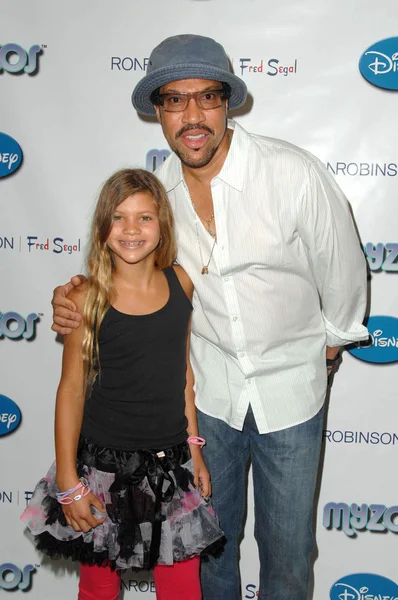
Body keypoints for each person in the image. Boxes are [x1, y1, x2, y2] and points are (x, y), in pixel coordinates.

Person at [51, 35, 369, 600]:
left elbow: (343, 273)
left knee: (290, 556)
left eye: (207, 97)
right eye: (175, 100)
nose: (192, 116)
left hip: (293, 397)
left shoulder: (292, 173)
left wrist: (324, 349)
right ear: (157, 110)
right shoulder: (159, 199)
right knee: (210, 553)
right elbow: (126, 276)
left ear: (228, 103)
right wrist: (77, 292)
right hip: (209, 403)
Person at [21, 168, 224, 600]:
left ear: (162, 225)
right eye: (119, 217)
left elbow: (183, 375)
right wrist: (70, 485)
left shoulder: (182, 283)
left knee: (183, 589)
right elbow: (71, 391)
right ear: (102, 227)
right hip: (101, 471)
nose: (131, 229)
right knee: (98, 588)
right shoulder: (84, 298)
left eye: (144, 217)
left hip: (171, 468)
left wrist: (195, 453)